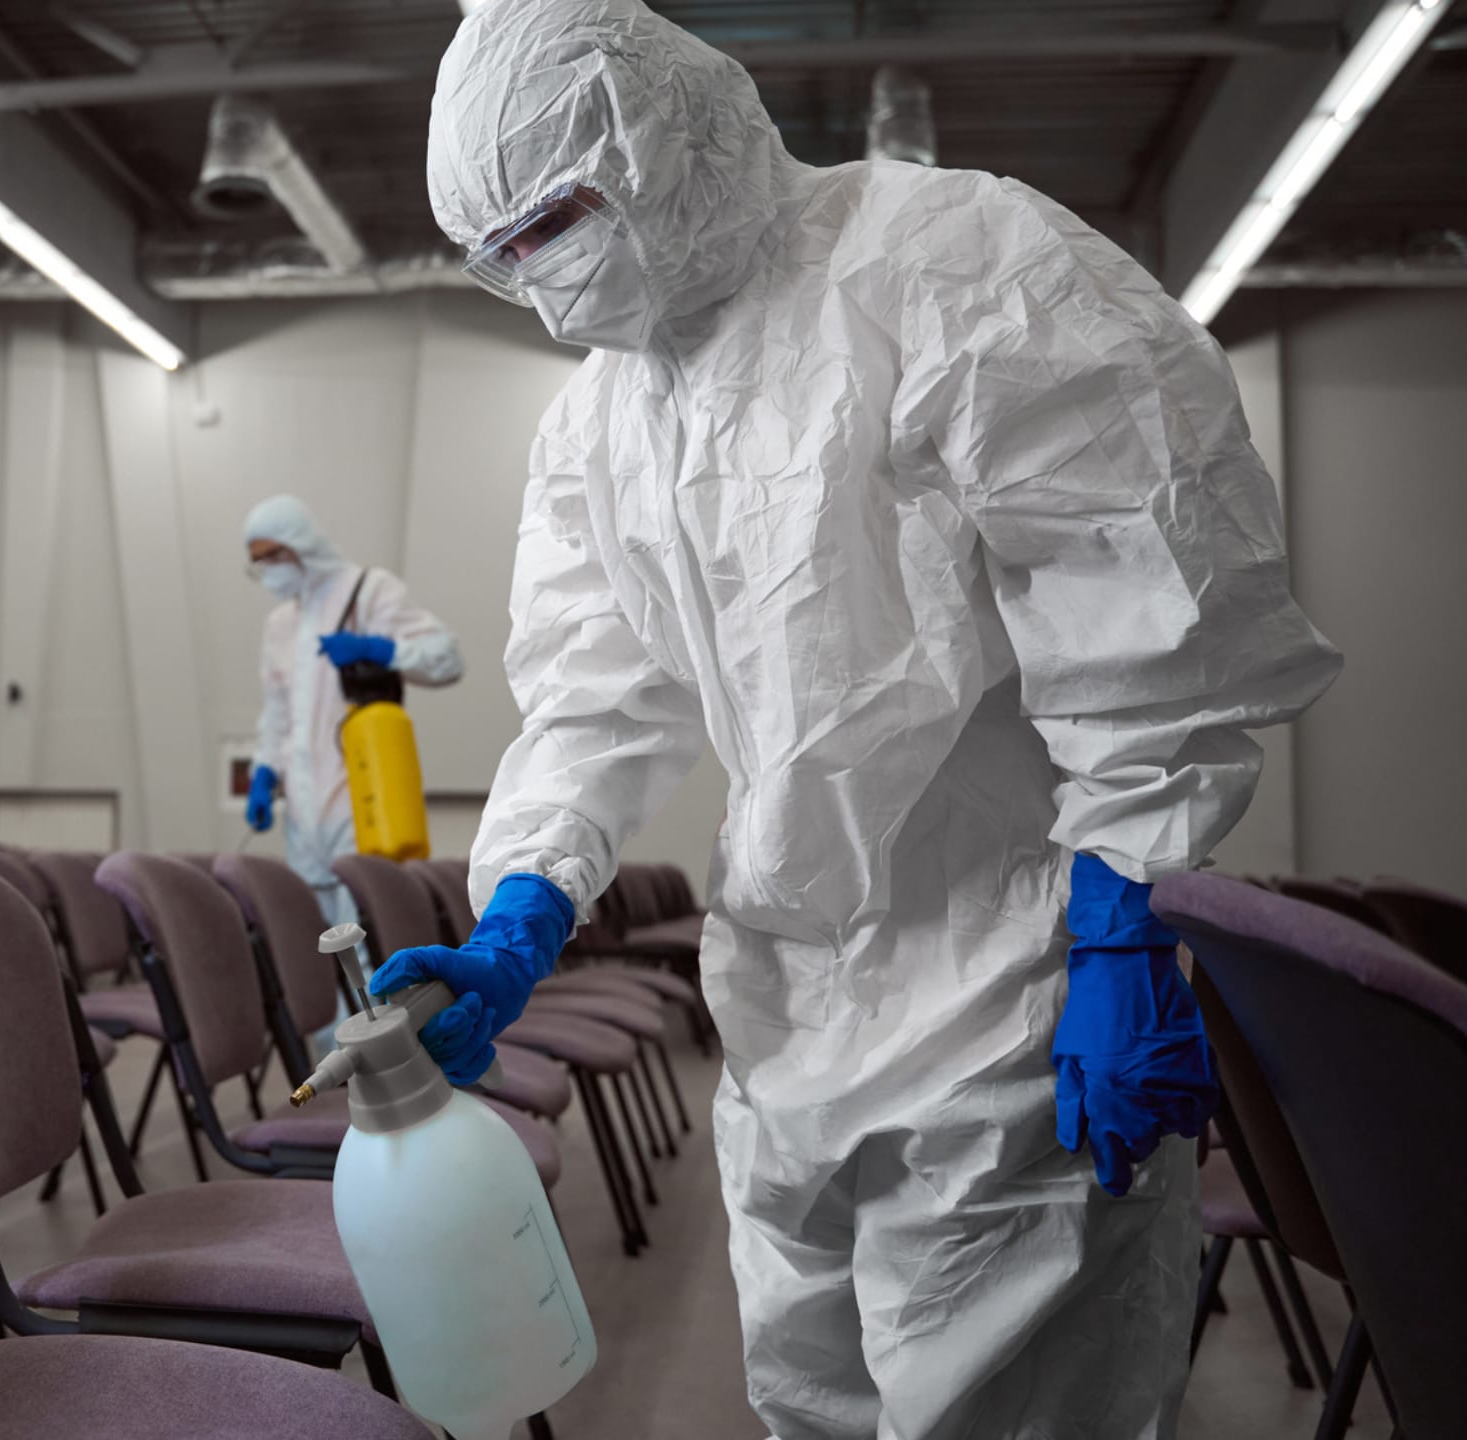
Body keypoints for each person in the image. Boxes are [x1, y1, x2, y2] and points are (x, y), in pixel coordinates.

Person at [368, 2, 1344, 1437]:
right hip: (781, 1014)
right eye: (499, 253)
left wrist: (1125, 916)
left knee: (1004, 1415)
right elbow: (590, 695)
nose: (539, 280)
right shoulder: (600, 423)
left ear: (662, 143)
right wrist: (523, 911)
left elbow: (1150, 596)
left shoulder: (954, 265)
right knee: (805, 1400)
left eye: (554, 223)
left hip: (1010, 988)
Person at [243, 495, 463, 927]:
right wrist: (265, 771)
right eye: (258, 563)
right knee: (320, 945)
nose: (269, 570)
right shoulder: (280, 626)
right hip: (304, 812)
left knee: (366, 936)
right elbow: (277, 715)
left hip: (362, 796)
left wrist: (380, 649)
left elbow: (447, 658)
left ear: (299, 544)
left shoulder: (368, 592)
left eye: (273, 556)